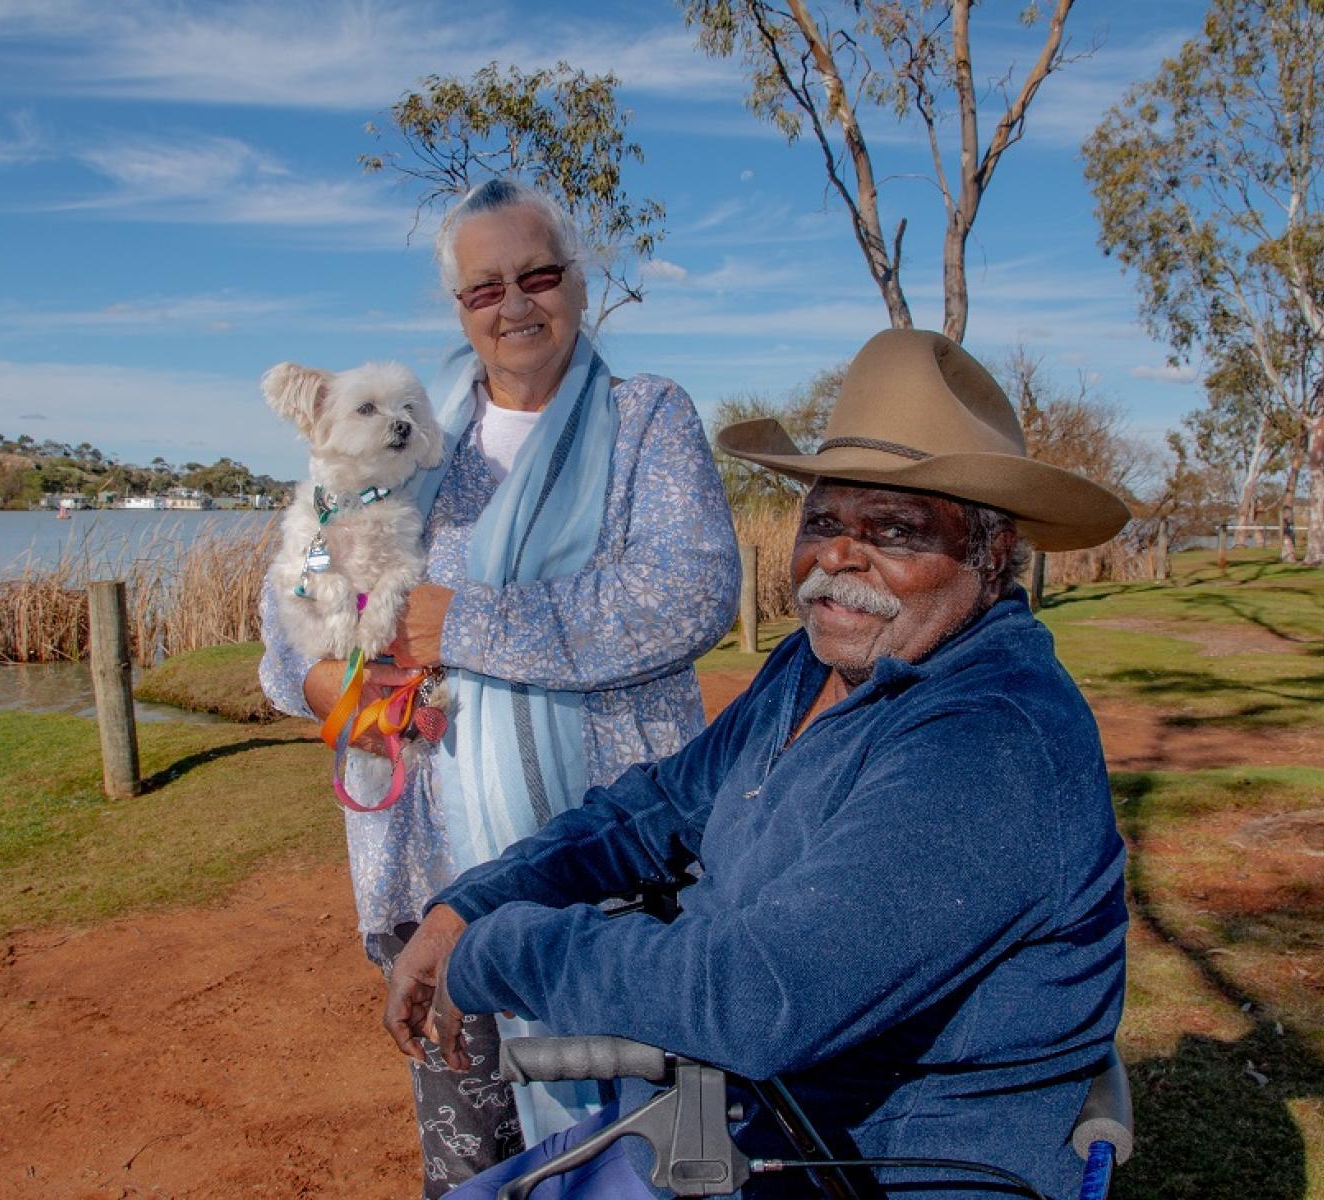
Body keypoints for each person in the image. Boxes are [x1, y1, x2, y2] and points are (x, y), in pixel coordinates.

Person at [382, 328, 1133, 1200]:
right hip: (745, 1125)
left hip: (870, 1167)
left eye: (893, 528)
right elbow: (659, 805)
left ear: (991, 555)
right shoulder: (816, 664)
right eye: (821, 521)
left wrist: (496, 946)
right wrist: (469, 903)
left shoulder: (991, 742)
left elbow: (752, 998)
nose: (838, 557)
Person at [259, 177, 740, 1197]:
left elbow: (686, 596)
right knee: (477, 1168)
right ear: (459, 308)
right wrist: (331, 690)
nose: (515, 304)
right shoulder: (405, 434)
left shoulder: (643, 419)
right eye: (486, 288)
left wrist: (460, 622)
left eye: (538, 275)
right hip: (429, 878)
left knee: (646, 1155)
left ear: (576, 282)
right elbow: (291, 603)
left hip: (609, 873)